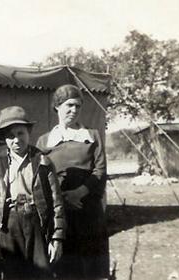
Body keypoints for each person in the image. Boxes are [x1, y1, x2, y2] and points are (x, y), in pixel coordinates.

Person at [36, 84, 109, 279]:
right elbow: (40, 178)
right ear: (57, 107)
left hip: (88, 210)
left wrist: (79, 193)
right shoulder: (44, 141)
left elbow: (100, 169)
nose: (74, 110)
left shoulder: (92, 136)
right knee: (64, 267)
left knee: (89, 267)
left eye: (78, 106)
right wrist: (62, 199)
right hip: (60, 214)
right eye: (69, 105)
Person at [0, 106, 65, 279]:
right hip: (9, 226)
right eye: (10, 136)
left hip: (37, 223)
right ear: (5, 139)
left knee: (41, 273)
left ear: (29, 133)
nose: (16, 140)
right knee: (14, 273)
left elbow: (57, 202)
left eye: (20, 133)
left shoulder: (43, 161)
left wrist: (57, 238)